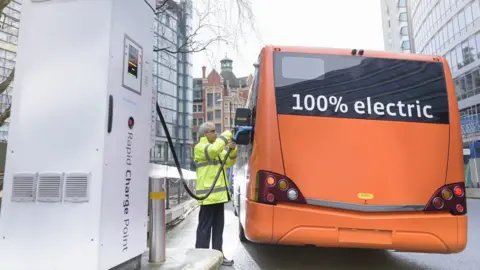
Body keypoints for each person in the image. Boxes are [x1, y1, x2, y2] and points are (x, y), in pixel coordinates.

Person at [194, 122, 237, 267]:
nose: (216, 133)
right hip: (207, 197)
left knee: (218, 230)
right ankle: (200, 258)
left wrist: (232, 150)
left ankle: (218, 256)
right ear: (205, 134)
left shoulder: (218, 149)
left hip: (219, 197)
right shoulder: (200, 148)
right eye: (213, 131)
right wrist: (227, 135)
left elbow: (230, 162)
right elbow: (212, 151)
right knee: (204, 230)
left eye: (216, 131)